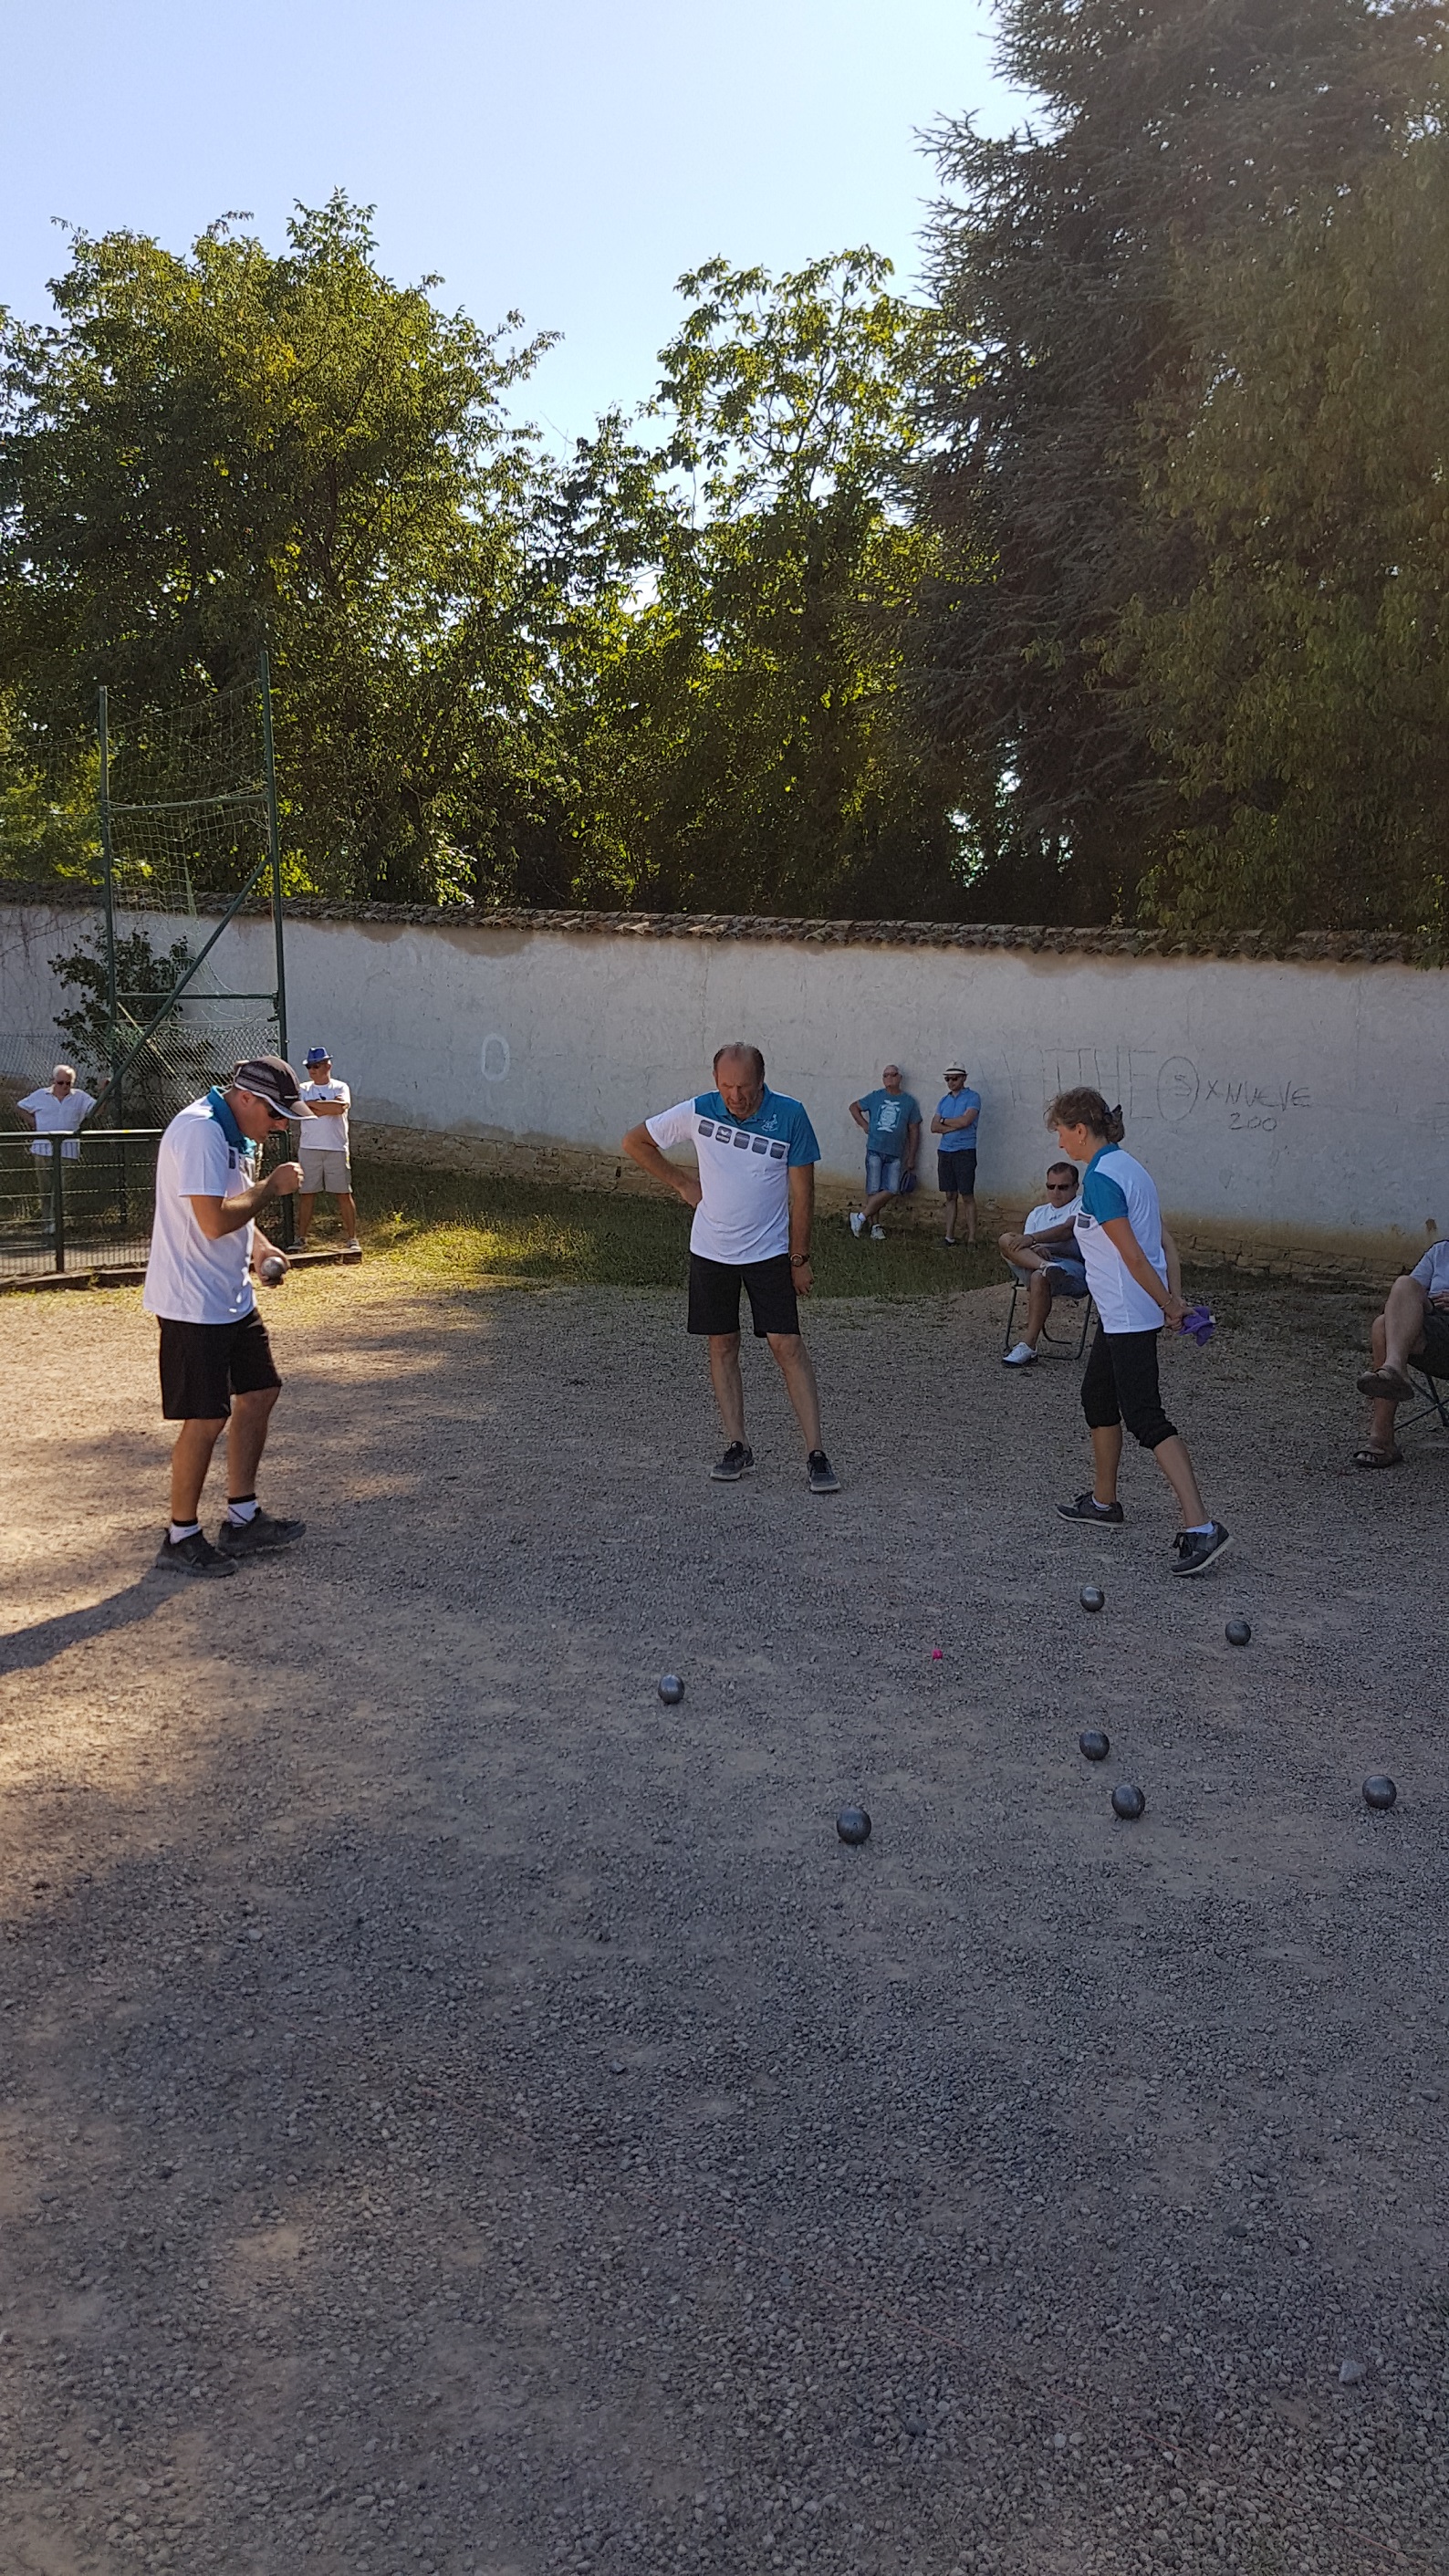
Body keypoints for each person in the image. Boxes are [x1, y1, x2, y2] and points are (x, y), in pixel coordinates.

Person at [621, 1042, 840, 1493]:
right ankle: (737, 1444)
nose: (735, 1096)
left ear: (761, 1081)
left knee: (787, 1346)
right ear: (716, 1081)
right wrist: (682, 1182)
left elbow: (804, 1197)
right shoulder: (700, 1110)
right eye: (726, 1086)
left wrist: (799, 1260)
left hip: (768, 1253)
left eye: (743, 1087)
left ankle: (816, 1452)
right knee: (722, 1345)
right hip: (711, 1251)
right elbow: (635, 1141)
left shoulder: (790, 1116)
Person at [1046, 1088, 1231, 1575]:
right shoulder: (1129, 1168)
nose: (1060, 1143)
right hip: (1122, 1314)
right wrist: (1174, 1297)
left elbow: (1133, 1254)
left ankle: (1201, 1526)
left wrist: (1171, 1304)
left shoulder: (1105, 1178)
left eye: (1062, 1132)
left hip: (1129, 1315)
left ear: (1080, 1130)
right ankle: (1105, 1503)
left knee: (1146, 1418)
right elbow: (1165, 1243)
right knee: (1098, 1400)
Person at [143, 1057, 308, 1579]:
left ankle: (241, 1518)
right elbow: (213, 1220)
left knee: (259, 1393)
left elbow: (233, 1207)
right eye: (277, 1114)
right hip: (193, 1303)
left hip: (230, 1295)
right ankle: (180, 1534)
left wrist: (258, 1249)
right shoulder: (200, 1133)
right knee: (207, 1417)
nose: (281, 1126)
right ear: (246, 1099)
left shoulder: (236, 1132)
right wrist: (273, 1189)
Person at [1353, 1237, 1449, 1465]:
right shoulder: (1440, 1251)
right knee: (1404, 1286)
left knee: (1381, 1327)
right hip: (1437, 1329)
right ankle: (1394, 1368)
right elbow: (1405, 1299)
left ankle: (1381, 1440)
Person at [997, 1161, 1087, 1365]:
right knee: (1005, 1240)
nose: (1056, 1192)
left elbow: (1067, 1230)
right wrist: (1035, 1249)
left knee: (1039, 1277)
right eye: (1051, 1186)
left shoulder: (1082, 1205)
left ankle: (1028, 1345)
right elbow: (1023, 1244)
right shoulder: (1038, 1213)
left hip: (1071, 1265)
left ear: (1075, 1187)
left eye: (1063, 1187)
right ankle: (1045, 1266)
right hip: (1036, 1261)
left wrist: (1032, 1240)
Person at [295, 1047, 360, 1253]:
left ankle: (352, 1238)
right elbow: (302, 1110)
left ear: (327, 1066)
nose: (311, 1070)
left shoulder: (340, 1087)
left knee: (343, 1192)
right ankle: (301, 1238)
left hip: (336, 1147)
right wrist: (323, 1108)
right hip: (309, 1147)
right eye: (309, 1067)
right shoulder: (303, 1088)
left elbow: (340, 1108)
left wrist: (314, 1106)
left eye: (316, 1066)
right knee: (307, 1193)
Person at [848, 1065, 922, 1239]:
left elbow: (914, 1129)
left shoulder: (909, 1102)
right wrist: (865, 1126)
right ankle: (875, 1227)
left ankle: (860, 1217)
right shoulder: (876, 1096)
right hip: (875, 1148)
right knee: (873, 1189)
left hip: (896, 1153)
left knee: (892, 1188)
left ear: (900, 1078)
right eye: (885, 1075)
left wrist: (912, 1156)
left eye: (892, 1075)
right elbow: (854, 1107)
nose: (889, 1078)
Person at [18, 1066, 97, 1220]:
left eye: (68, 1083)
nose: (65, 1086)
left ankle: (59, 1222)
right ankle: (48, 1222)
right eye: (61, 1083)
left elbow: (97, 1109)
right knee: (45, 1189)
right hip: (43, 1150)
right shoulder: (40, 1095)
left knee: (62, 1189)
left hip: (68, 1150)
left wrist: (104, 1093)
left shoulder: (80, 1097)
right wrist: (32, 1121)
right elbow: (20, 1106)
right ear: (54, 1081)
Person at [929, 1064, 981, 1246]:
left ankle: (972, 1238)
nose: (951, 1082)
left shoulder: (973, 1097)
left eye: (955, 1078)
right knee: (950, 1195)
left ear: (964, 1078)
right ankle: (949, 1236)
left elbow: (967, 1121)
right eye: (947, 1079)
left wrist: (944, 1122)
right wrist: (954, 1124)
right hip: (945, 1151)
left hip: (964, 1150)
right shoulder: (944, 1100)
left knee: (967, 1194)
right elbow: (933, 1127)